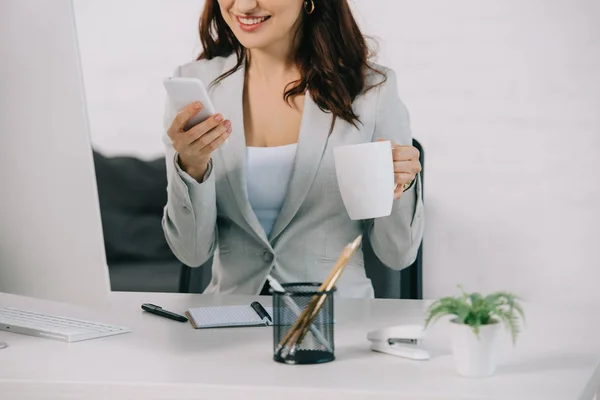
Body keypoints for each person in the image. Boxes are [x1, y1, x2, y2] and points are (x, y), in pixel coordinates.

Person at [162, 0, 424, 298]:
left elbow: (398, 255)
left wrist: (404, 181)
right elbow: (191, 253)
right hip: (228, 322)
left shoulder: (371, 90)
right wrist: (190, 167)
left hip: (332, 322)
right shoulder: (196, 86)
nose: (245, 5)